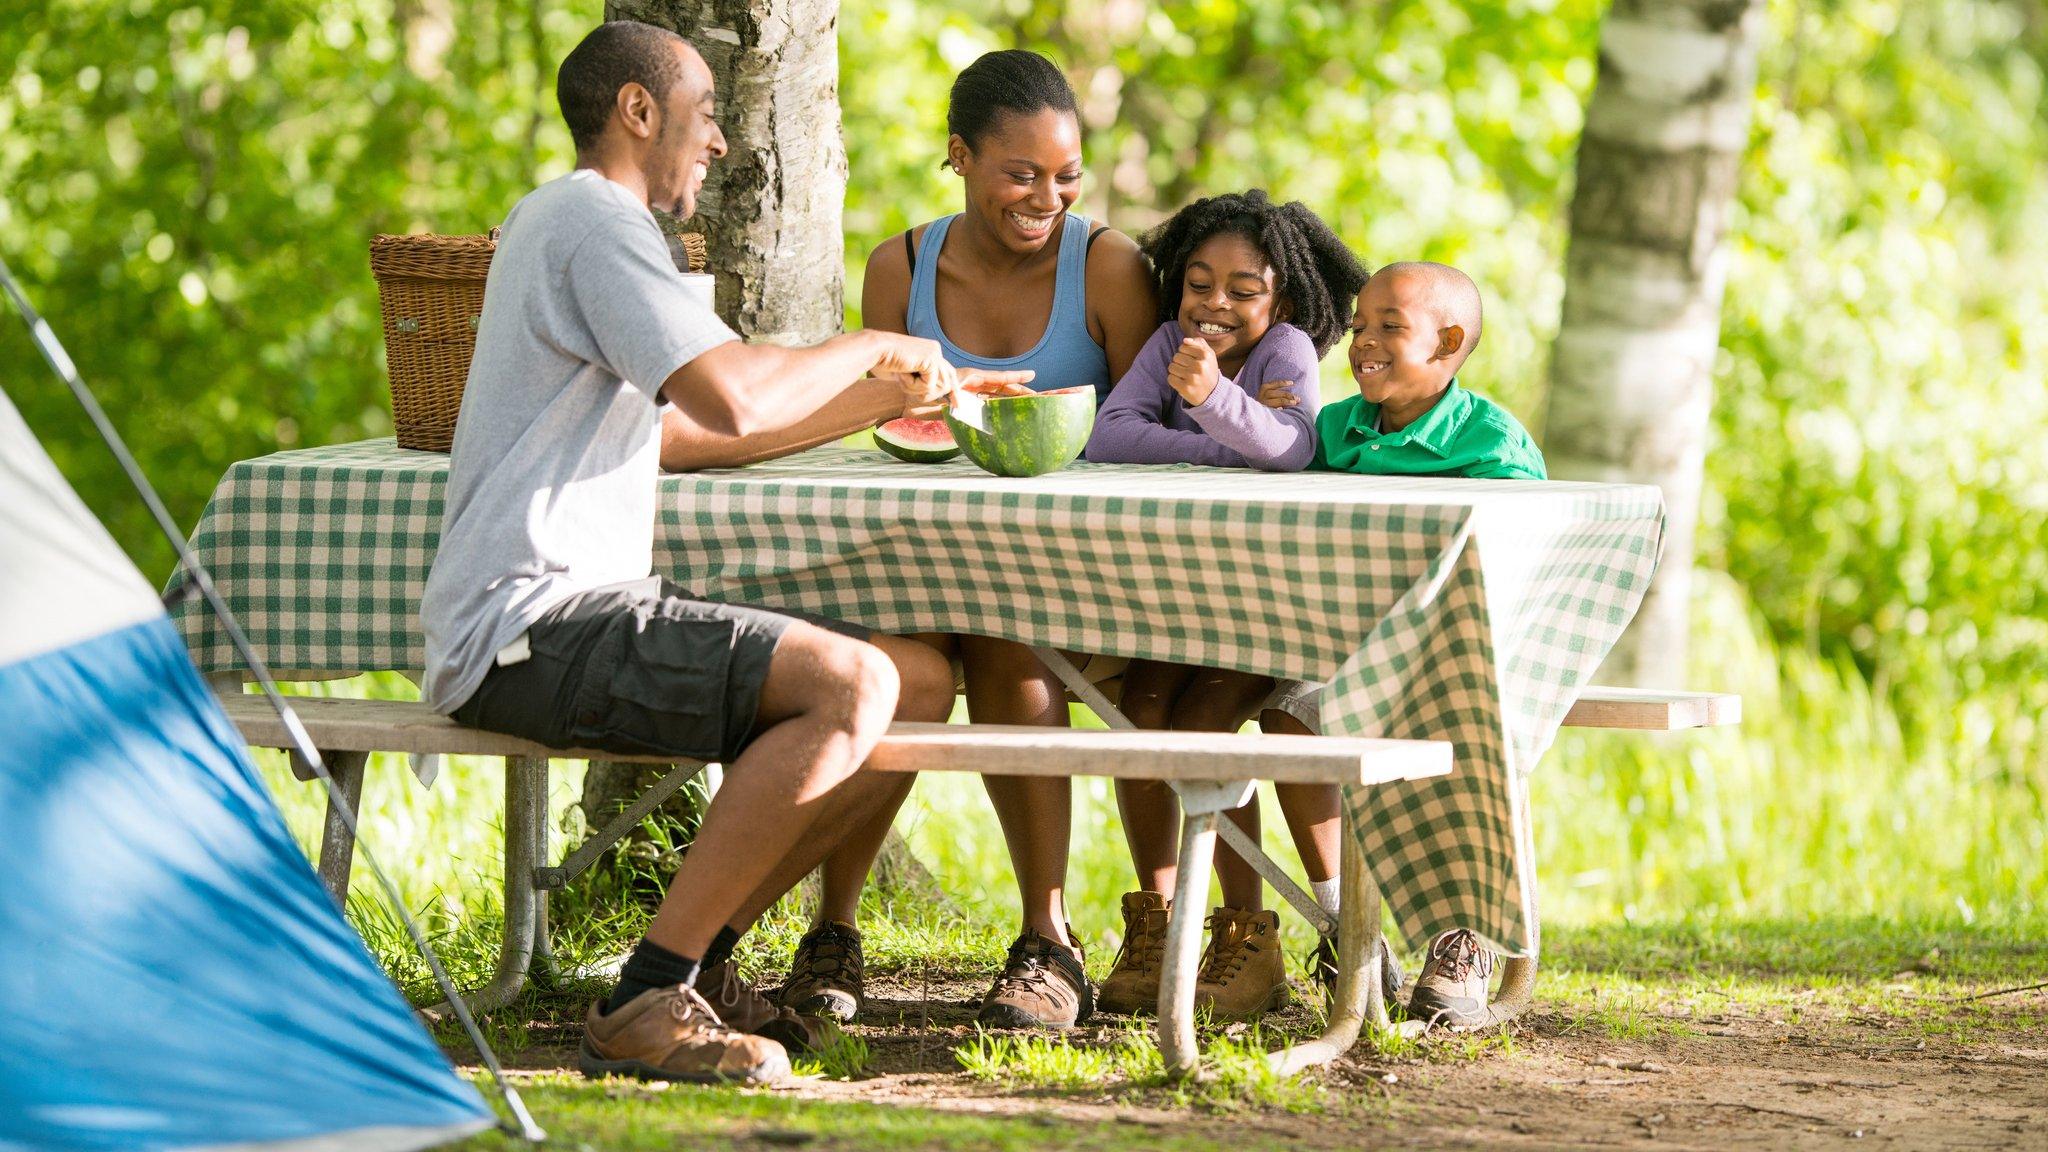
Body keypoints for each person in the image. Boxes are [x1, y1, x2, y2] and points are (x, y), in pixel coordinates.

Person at [418, 21, 1027, 1085]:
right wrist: (869, 345)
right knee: (849, 683)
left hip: (570, 613)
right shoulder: (592, 220)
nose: (718, 145)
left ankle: (694, 966)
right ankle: (644, 998)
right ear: (636, 111)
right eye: (703, 116)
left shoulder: (575, 226)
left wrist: (879, 400)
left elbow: (689, 433)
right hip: (532, 625)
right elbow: (731, 389)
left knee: (918, 680)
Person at [770, 48, 1158, 1032]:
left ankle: (1046, 939)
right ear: (959, 158)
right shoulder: (898, 266)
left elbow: (1153, 440)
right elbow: (881, 420)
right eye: (1019, 174)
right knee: (877, 663)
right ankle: (834, 930)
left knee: (1002, 643)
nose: (1047, 197)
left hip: (1073, 575)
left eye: (1065, 175)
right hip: (920, 562)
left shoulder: (1108, 268)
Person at [1081, 190, 1370, 1021]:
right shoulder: (1170, 341)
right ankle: (1163, 924)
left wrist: (1210, 399)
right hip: (1174, 604)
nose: (1215, 305)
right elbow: (1110, 436)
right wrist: (1225, 441)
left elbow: (1291, 446)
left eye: (1243, 290)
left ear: (1281, 299)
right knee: (1138, 714)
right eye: (1198, 284)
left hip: (1266, 610)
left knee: (1203, 725)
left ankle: (1248, 932)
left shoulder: (1287, 351)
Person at [1259, 259, 1546, 1026]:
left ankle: (1467, 933)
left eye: (1390, 327)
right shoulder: (1330, 429)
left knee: (1461, 729)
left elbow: (1518, 565)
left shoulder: (1492, 440)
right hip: (1342, 654)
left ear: (1450, 342)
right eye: (1358, 328)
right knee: (1287, 713)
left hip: (1457, 663)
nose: (1362, 343)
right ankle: (1344, 921)